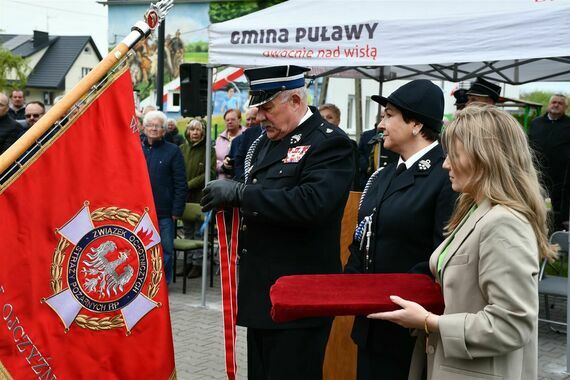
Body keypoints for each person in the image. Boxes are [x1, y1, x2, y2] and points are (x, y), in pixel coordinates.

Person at [368, 105, 557, 380]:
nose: (445, 164)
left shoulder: (503, 223)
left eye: (454, 155)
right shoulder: (478, 210)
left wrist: (429, 322)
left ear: (485, 158)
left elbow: (512, 324)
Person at [201, 65, 355, 380]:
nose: (259, 116)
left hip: (300, 298)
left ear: (296, 101)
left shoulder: (329, 143)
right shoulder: (268, 140)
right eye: (257, 108)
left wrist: (242, 194)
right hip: (263, 295)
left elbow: (312, 203)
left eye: (267, 107)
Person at [345, 79, 457, 380]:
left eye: (389, 115)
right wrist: (352, 287)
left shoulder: (445, 176)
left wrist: (391, 295)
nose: (381, 124)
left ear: (417, 125)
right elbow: (363, 237)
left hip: (410, 329)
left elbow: (444, 255)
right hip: (371, 324)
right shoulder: (384, 174)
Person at [141, 110, 187, 285]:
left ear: (164, 130)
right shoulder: (136, 148)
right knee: (142, 248)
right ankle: (145, 284)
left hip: (164, 212)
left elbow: (181, 183)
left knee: (165, 250)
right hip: (140, 210)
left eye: (158, 126)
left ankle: (162, 285)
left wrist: (177, 210)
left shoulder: (173, 151)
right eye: (150, 125)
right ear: (144, 128)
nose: (154, 128)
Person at [179, 118, 216, 278]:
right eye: (191, 129)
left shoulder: (209, 150)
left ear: (203, 132)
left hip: (200, 195)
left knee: (199, 233)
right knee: (187, 231)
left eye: (198, 130)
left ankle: (198, 264)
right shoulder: (181, 148)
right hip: (184, 196)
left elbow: (210, 172)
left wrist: (190, 184)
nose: (194, 132)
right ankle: (187, 262)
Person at [529, 94, 570, 231]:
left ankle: (555, 236)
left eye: (560, 103)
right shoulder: (536, 123)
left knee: (553, 211)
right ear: (548, 104)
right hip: (538, 176)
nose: (556, 105)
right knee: (540, 208)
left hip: (561, 179)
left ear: (565, 107)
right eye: (554, 102)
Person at [229, 107, 261, 181]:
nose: (250, 122)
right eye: (248, 119)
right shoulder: (238, 139)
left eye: (253, 118)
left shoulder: (268, 135)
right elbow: (238, 159)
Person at [215, 108, 243, 179]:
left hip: (239, 181)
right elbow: (214, 160)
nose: (230, 122)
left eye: (233, 119)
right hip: (222, 181)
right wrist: (223, 166)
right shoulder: (219, 139)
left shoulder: (246, 135)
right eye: (227, 120)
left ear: (239, 120)